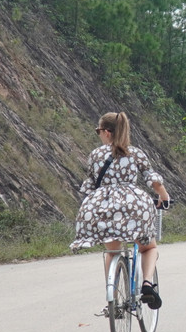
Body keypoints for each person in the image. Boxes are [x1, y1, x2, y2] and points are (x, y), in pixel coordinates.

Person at [70, 111, 170, 309]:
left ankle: (113, 297)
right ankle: (148, 284)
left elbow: (89, 185)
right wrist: (164, 197)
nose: (98, 134)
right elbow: (153, 180)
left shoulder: (96, 155)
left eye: (98, 130)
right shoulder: (136, 153)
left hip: (103, 207)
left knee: (113, 251)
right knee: (149, 247)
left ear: (107, 132)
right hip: (134, 205)